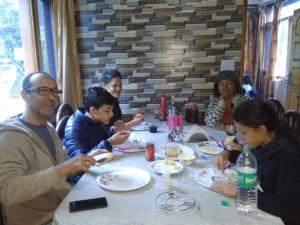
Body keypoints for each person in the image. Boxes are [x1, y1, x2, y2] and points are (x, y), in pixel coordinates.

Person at [0, 72, 104, 225]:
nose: (52, 97)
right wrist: (63, 168)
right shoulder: (9, 137)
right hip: (41, 220)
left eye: (55, 91)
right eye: (43, 90)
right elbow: (7, 191)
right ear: (24, 95)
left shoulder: (48, 128)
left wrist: (88, 158)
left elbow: (62, 163)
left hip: (64, 206)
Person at [212, 100, 300, 225]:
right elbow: (249, 153)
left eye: (244, 132)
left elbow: (289, 208)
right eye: (238, 131)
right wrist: (228, 154)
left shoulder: (289, 156)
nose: (240, 137)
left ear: (262, 129)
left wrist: (241, 192)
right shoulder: (264, 141)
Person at [63, 86, 130, 157]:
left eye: (111, 110)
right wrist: (109, 142)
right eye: (107, 111)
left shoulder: (94, 118)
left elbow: (102, 136)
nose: (112, 114)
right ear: (93, 110)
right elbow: (79, 160)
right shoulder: (74, 128)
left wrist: (114, 131)